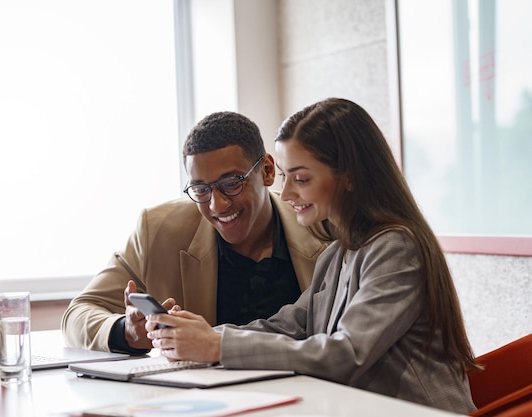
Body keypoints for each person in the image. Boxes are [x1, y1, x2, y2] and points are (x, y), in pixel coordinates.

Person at [145, 98, 479, 414]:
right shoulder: (337, 253)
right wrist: (202, 335)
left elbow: (347, 353)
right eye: (287, 176)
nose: (287, 192)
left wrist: (216, 347)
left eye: (301, 178)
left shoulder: (395, 248)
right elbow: (289, 326)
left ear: (349, 177)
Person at [61, 111, 330, 354]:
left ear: (267, 171)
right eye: (201, 189)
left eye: (231, 183)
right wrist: (126, 331)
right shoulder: (158, 230)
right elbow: (78, 313)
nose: (217, 204)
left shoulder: (321, 225)